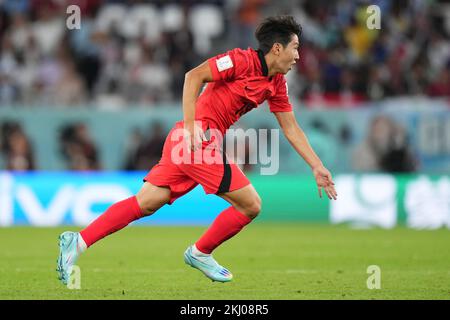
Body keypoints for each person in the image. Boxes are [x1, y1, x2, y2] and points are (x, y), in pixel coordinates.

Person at [56, 15, 337, 285]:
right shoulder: (240, 60)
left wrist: (316, 165)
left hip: (192, 141)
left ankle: (77, 242)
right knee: (251, 204)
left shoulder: (277, 84)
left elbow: (291, 128)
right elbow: (193, 76)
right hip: (195, 138)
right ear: (277, 48)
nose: (298, 56)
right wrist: (192, 127)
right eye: (295, 48)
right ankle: (200, 252)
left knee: (147, 202)